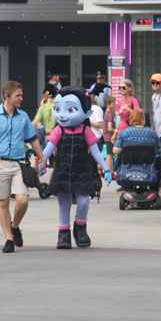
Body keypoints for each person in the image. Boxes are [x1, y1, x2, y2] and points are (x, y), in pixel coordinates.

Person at [0, 81, 46, 253]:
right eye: (18, 95)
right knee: (3, 202)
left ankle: (15, 225)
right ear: (7, 96)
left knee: (23, 199)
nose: (21, 99)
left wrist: (43, 157)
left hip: (18, 164)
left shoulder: (23, 116)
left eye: (21, 95)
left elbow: (32, 139)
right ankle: (9, 239)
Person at [41, 86, 112, 249]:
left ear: (86, 113)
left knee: (84, 201)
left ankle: (80, 227)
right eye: (57, 109)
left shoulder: (86, 130)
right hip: (63, 171)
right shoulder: (58, 130)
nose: (62, 115)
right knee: (64, 204)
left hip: (81, 170)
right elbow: (48, 148)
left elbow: (96, 151)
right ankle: (63, 233)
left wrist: (106, 168)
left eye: (70, 109)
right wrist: (42, 160)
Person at [102, 95, 117, 173]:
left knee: (110, 154)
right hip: (109, 136)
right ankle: (108, 171)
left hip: (106, 136)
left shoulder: (106, 113)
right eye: (113, 103)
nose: (114, 105)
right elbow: (110, 128)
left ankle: (104, 169)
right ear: (108, 104)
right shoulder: (110, 114)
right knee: (110, 155)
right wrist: (116, 131)